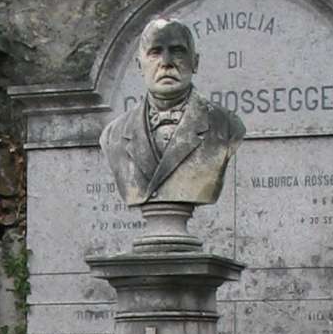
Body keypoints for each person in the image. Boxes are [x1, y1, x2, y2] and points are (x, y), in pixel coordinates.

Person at [100, 16, 246, 212]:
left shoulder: (226, 126)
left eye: (177, 51)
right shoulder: (113, 135)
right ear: (139, 65)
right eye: (155, 52)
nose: (166, 63)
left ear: (195, 62)